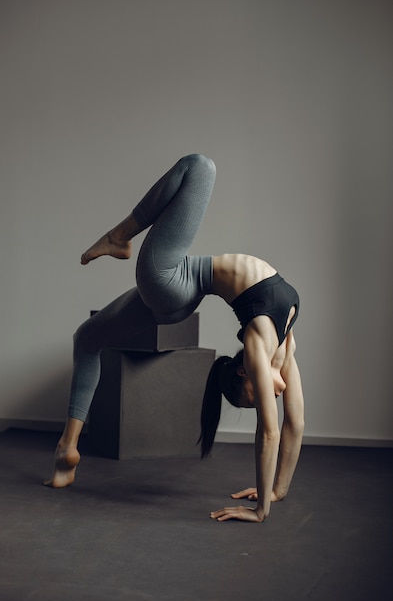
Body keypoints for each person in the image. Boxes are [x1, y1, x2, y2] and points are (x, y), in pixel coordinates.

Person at [44, 154, 305, 524]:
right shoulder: (282, 348)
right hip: (180, 285)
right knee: (87, 338)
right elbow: (287, 425)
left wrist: (266, 504)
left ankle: (119, 237)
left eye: (252, 400)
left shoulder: (258, 347)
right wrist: (273, 494)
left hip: (170, 282)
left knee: (200, 167)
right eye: (254, 401)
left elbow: (277, 429)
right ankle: (66, 452)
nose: (267, 398)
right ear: (246, 375)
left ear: (245, 372)